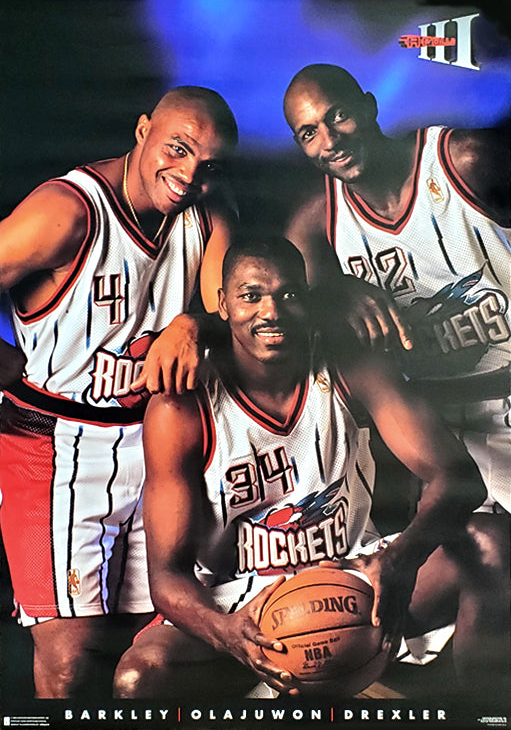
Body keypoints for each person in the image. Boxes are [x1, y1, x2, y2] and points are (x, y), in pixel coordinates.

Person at [113, 237, 508, 702]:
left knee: (493, 543)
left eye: (288, 295)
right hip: (240, 597)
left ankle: (478, 712)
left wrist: (400, 559)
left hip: (350, 576)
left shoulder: (348, 366)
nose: (271, 312)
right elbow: (167, 578)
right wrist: (226, 633)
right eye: (251, 295)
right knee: (139, 680)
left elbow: (456, 477)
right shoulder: (181, 410)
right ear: (222, 303)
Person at [0, 85, 238, 699]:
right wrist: (10, 370)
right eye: (178, 149)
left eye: (209, 165)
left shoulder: (211, 214)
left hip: (157, 442)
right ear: (142, 131)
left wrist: (194, 324)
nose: (189, 175)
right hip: (56, 447)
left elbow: (234, 316)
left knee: (147, 642)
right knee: (70, 657)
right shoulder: (68, 211)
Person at [283, 63, 510, 516]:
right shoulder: (315, 223)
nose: (330, 141)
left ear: (369, 106)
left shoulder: (463, 160)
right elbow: (286, 312)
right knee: (471, 564)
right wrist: (332, 293)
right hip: (436, 430)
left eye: (339, 116)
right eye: (309, 134)